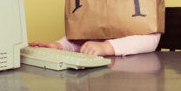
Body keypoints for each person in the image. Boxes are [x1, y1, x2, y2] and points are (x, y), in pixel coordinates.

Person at [29, 33, 161, 56]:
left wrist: (106, 47)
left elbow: (151, 40)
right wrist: (61, 46)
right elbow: (89, 36)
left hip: (134, 80)